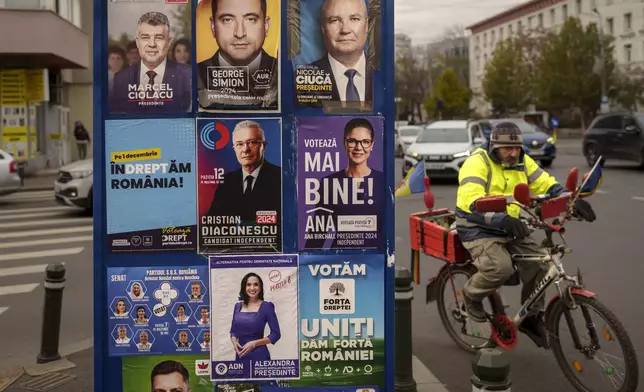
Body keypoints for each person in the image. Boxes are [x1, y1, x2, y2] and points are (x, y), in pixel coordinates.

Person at [455, 121, 596, 348]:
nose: (513, 153)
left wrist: (571, 199)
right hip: (477, 227)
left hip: (511, 226)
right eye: (507, 149)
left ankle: (531, 316)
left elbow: (545, 183)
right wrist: (502, 219)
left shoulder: (521, 160)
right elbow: (470, 204)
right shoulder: (476, 163)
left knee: (542, 265)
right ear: (494, 147)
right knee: (500, 268)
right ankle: (471, 296)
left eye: (517, 148)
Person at [304, 118, 383, 249]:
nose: (359, 147)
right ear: (344, 143)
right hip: (340, 260)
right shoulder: (329, 183)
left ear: (372, 144)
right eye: (352, 141)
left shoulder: (383, 181)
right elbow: (318, 234)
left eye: (365, 142)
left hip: (375, 262)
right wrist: (307, 264)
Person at [197, 0, 278, 109]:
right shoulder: (193, 76)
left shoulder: (284, 74)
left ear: (266, 26)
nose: (240, 33)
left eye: (251, 19)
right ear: (213, 26)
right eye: (227, 20)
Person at [110, 12, 192, 114]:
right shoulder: (120, 80)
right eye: (145, 38)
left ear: (169, 42)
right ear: (137, 42)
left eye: (158, 38)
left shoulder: (188, 76)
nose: (152, 44)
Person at [205, 120, 281, 222]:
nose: (245, 149)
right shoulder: (227, 181)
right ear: (234, 149)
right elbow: (212, 221)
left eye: (252, 142)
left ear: (263, 146)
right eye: (239, 144)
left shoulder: (280, 178)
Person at [308, 0, 373, 108]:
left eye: (354, 19)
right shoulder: (301, 79)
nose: (345, 30)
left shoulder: (383, 76)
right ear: (323, 28)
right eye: (334, 20)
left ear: (366, 26)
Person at [229, 272, 281, 361]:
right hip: (241, 354)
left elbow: (276, 334)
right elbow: (233, 331)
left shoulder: (267, 306)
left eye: (256, 285)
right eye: (248, 284)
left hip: (259, 355)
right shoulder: (238, 306)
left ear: (260, 288)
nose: (252, 288)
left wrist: (254, 344)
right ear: (244, 287)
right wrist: (234, 343)